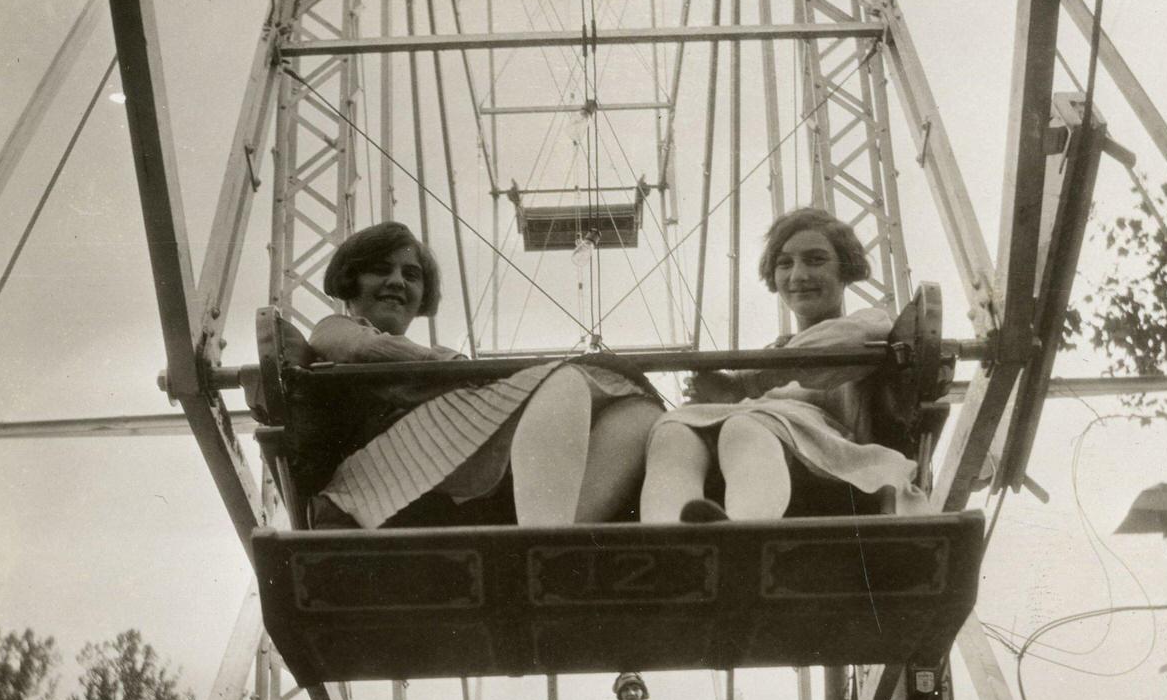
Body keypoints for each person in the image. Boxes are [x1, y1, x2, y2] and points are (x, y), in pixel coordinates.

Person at [301, 221, 662, 529]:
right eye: (381, 270)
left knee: (639, 410)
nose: (397, 282)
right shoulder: (334, 328)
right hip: (381, 477)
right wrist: (458, 368)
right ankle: (546, 538)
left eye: (411, 275)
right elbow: (365, 351)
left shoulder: (435, 359)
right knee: (568, 379)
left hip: (450, 466)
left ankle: (560, 537)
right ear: (350, 280)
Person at [639, 207, 927, 522]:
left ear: (846, 269)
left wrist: (742, 385)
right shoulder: (773, 353)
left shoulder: (869, 324)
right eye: (784, 263)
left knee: (746, 424)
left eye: (816, 260)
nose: (798, 276)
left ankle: (745, 531)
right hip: (764, 453)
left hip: (836, 459)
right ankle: (666, 534)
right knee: (675, 428)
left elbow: (841, 342)